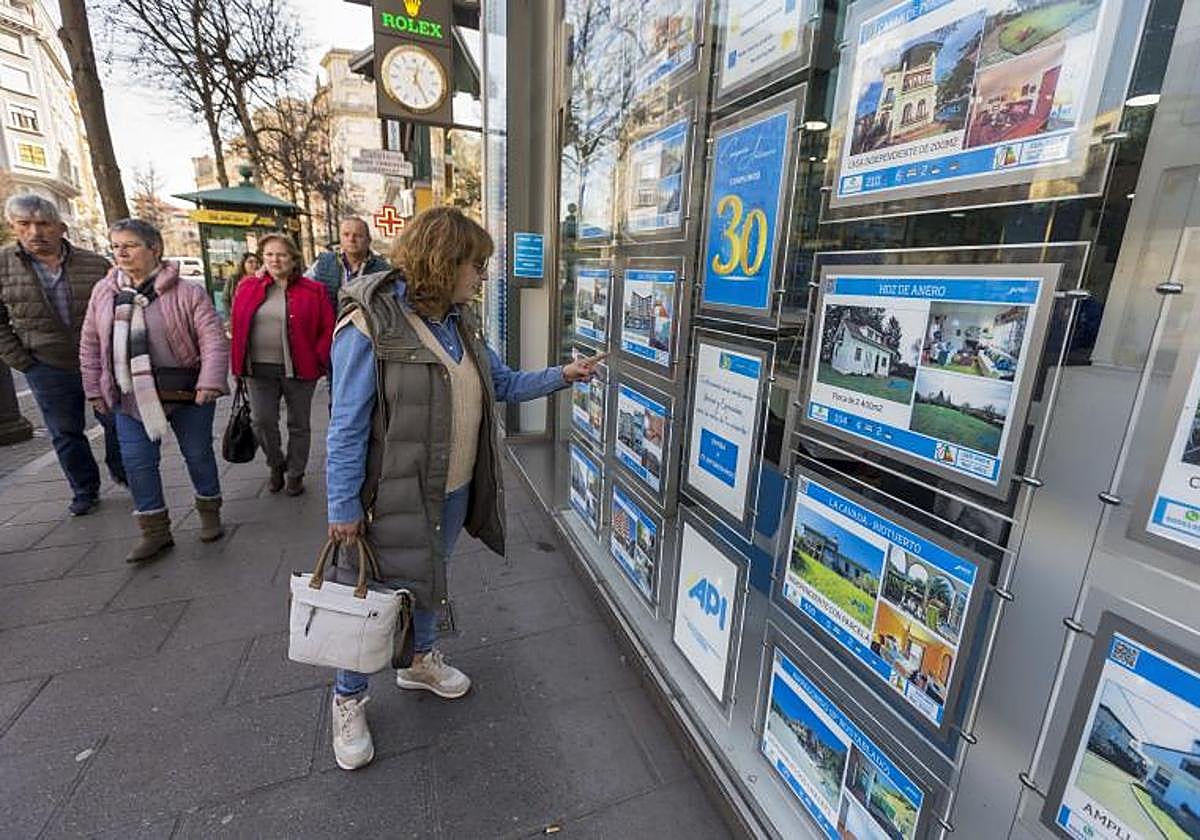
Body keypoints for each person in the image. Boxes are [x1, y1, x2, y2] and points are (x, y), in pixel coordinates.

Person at [324, 206, 605, 771]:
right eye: (475, 266)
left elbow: (499, 384)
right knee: (370, 596)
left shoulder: (460, 321)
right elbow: (347, 425)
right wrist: (343, 505)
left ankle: (417, 661)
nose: (481, 277)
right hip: (390, 496)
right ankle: (348, 697)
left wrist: (562, 376)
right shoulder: (370, 323)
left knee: (431, 576)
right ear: (442, 262)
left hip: (450, 489)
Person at [80, 220, 229, 562]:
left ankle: (209, 512)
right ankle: (155, 530)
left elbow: (212, 339)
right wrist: (93, 388)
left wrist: (210, 381)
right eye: (115, 246)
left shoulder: (188, 292)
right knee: (137, 462)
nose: (121, 252)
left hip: (186, 394)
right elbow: (90, 344)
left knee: (198, 454)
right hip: (129, 396)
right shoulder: (105, 292)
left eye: (130, 245)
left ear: (155, 249)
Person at [0, 194, 122, 515]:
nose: (35, 233)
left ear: (61, 227)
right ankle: (84, 489)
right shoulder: (3, 265)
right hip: (46, 364)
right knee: (66, 432)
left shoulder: (95, 264)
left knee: (115, 420)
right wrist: (23, 361)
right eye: (24, 225)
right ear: (13, 227)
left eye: (43, 224)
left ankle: (122, 469)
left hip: (98, 362)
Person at [230, 233, 332, 496]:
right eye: (269, 255)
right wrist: (237, 366)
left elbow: (327, 328)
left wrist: (320, 357)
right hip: (257, 369)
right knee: (262, 421)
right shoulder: (247, 287)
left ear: (294, 258)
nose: (275, 260)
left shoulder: (313, 290)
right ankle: (276, 464)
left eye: (281, 254)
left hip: (301, 369)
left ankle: (296, 472)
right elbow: (238, 326)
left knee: (299, 423)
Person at [307, 217, 391, 316]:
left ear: (368, 240)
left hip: (369, 328)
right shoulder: (323, 264)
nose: (351, 239)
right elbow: (304, 289)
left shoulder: (383, 270)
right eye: (346, 235)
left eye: (358, 235)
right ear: (340, 238)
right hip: (331, 327)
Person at [222, 251, 261, 317]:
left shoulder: (261, 281)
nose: (255, 265)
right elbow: (225, 299)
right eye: (250, 262)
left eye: (257, 262)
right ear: (243, 264)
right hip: (237, 316)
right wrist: (229, 318)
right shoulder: (233, 279)